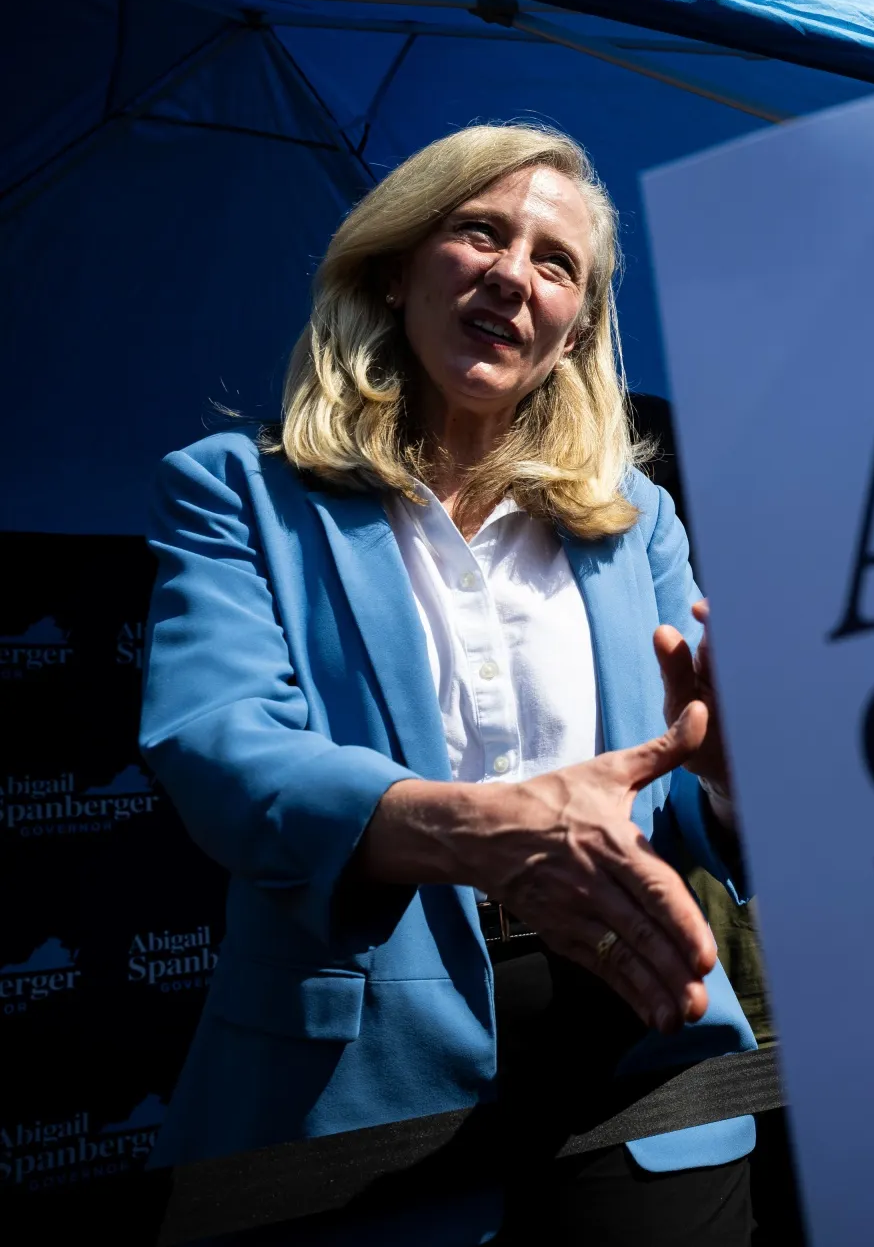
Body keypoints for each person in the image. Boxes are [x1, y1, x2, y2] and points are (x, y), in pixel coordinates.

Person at [140, 123, 757, 1244]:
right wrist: (476, 831)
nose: (514, 275)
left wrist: (729, 783)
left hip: (647, 1062)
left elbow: (696, 799)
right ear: (392, 264)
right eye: (480, 231)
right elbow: (219, 744)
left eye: (556, 262)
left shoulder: (639, 521)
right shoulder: (233, 492)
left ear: (576, 330)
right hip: (348, 1079)